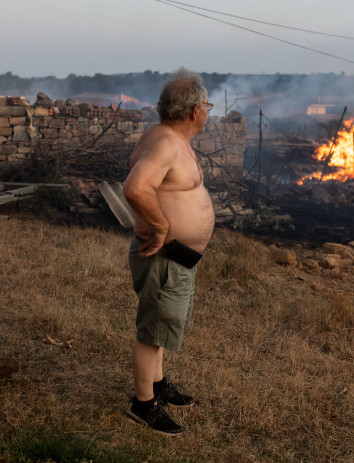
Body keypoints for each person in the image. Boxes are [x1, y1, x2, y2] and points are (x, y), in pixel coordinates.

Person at [122, 68, 216, 436]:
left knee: (162, 326)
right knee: (151, 331)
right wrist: (161, 226)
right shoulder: (164, 142)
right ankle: (143, 404)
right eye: (206, 104)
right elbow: (135, 188)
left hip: (177, 258)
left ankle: (157, 386)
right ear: (195, 111)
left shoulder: (170, 137)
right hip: (164, 255)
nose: (207, 110)